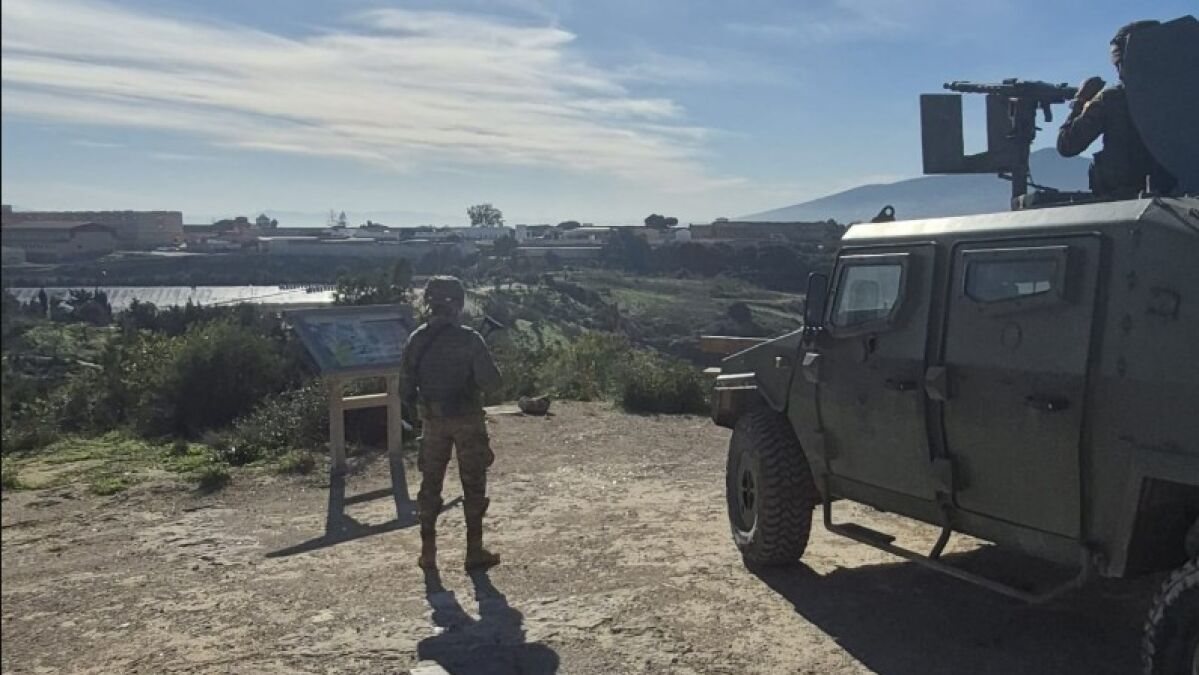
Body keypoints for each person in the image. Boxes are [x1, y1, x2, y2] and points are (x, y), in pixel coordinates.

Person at [401, 276, 503, 571]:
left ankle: (428, 553)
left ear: (429, 302)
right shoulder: (470, 339)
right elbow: (493, 383)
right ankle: (474, 550)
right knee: (474, 484)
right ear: (458, 303)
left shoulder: (417, 339)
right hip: (468, 420)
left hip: (433, 422)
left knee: (430, 486)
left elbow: (404, 389)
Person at [1056, 20, 1176, 200]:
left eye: (1120, 64)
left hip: (1125, 199)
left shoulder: (1113, 99)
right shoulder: (1182, 94)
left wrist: (1080, 101)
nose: (1119, 72)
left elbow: (1067, 145)